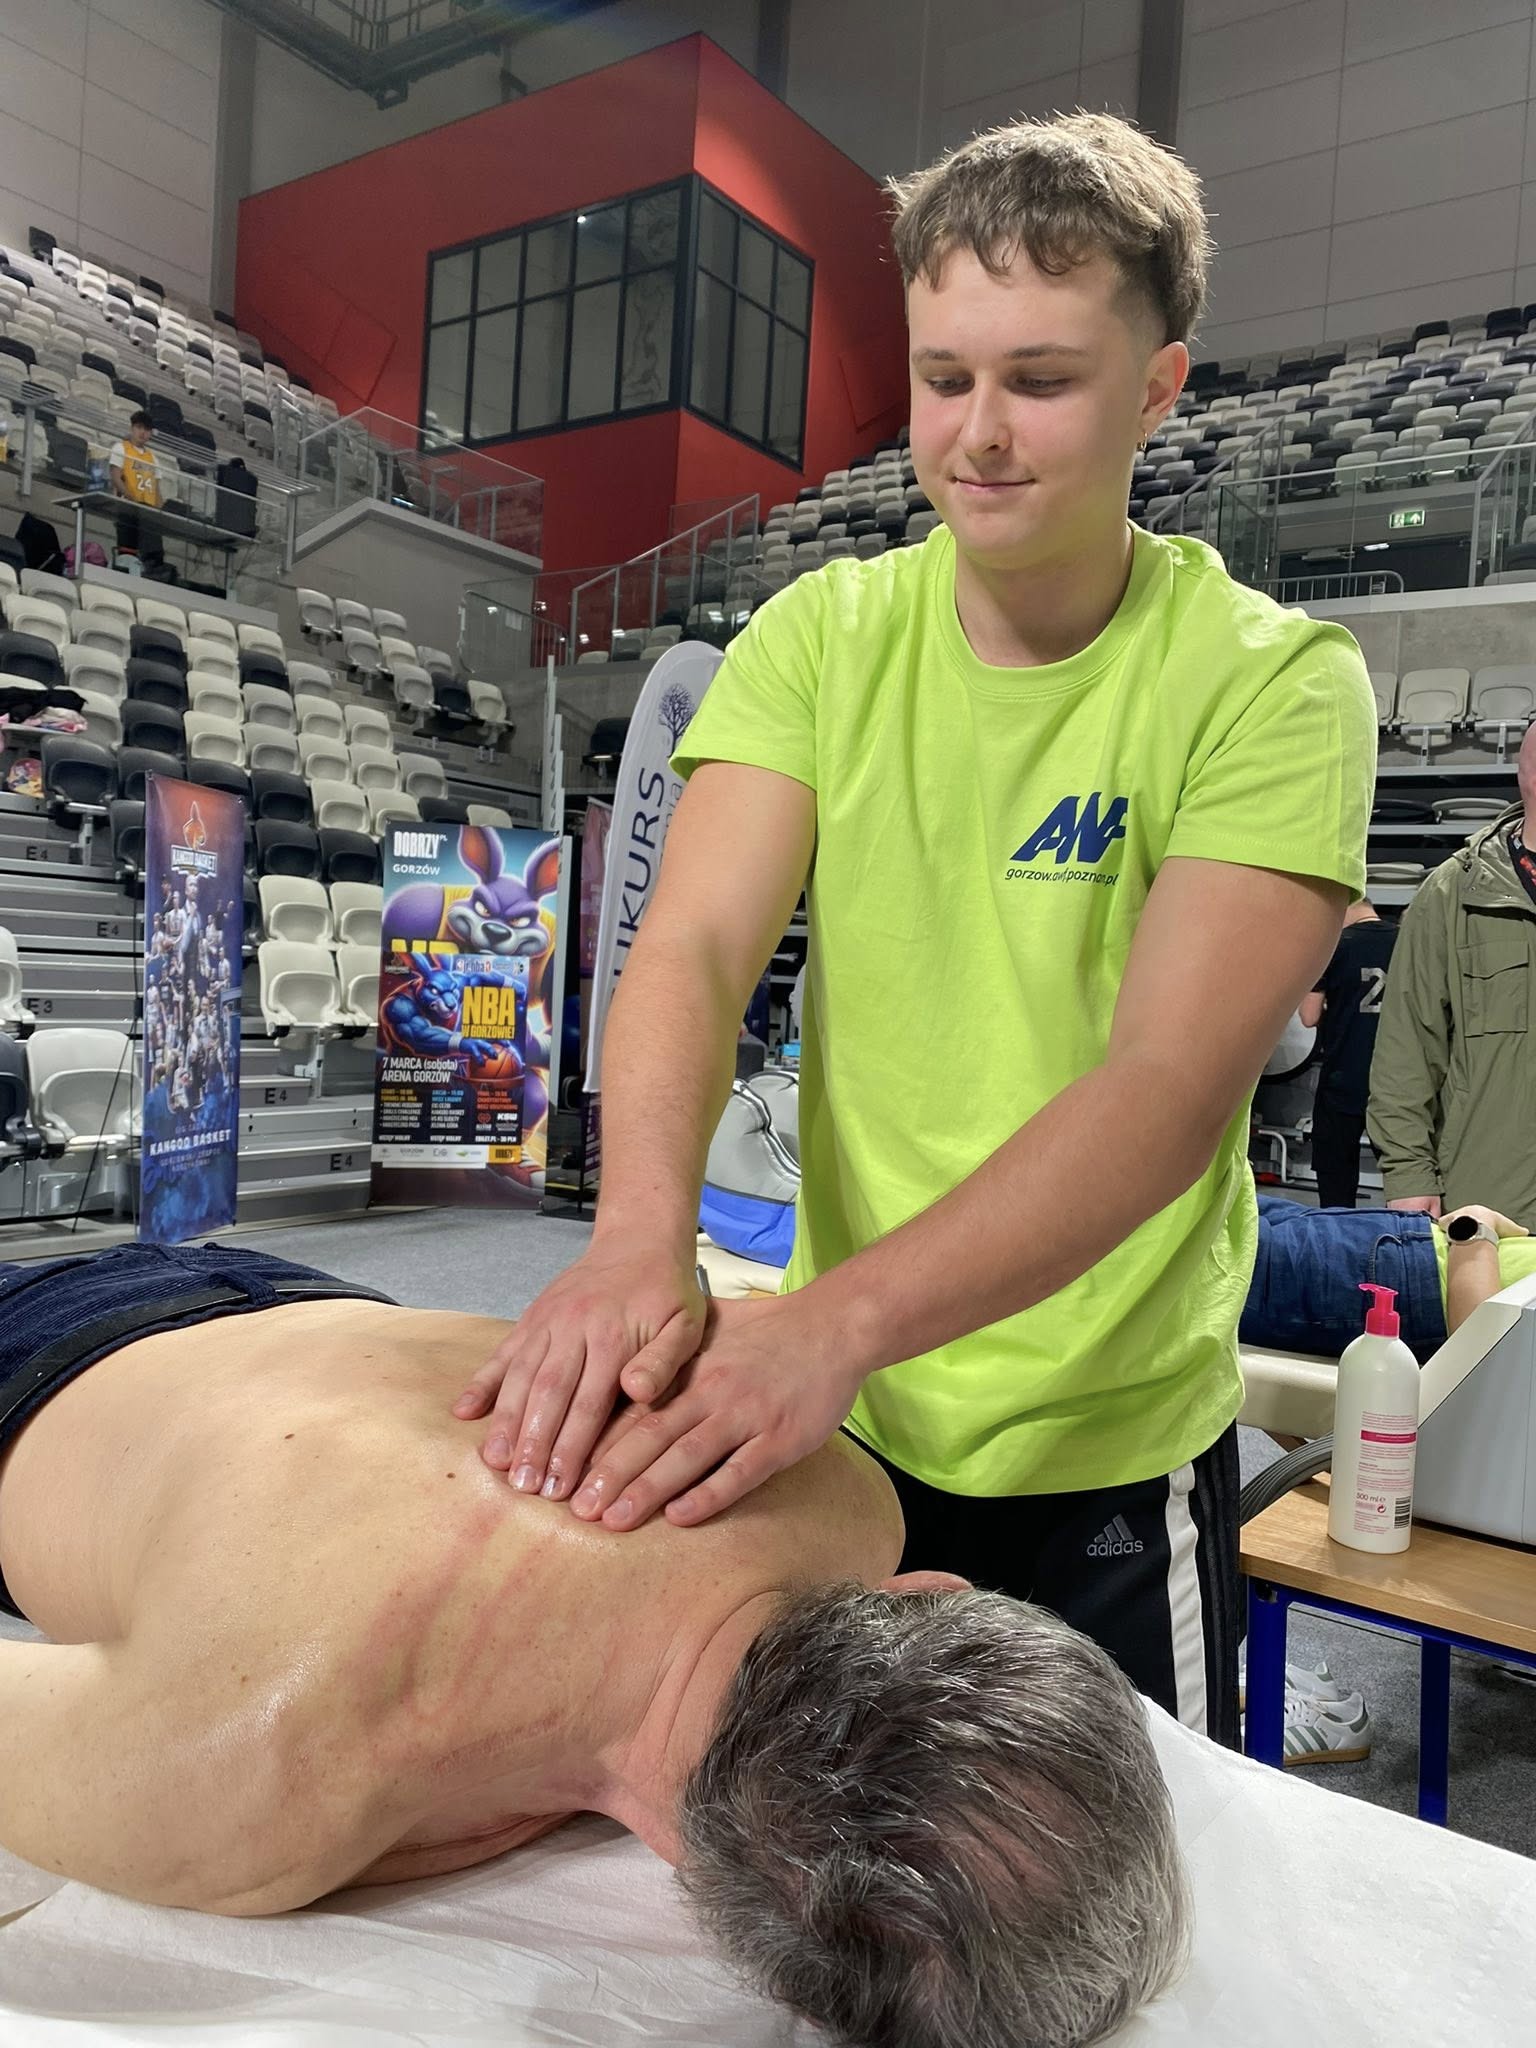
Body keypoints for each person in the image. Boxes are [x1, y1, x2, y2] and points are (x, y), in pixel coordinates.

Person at [459, 111, 1376, 1750]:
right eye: (944, 378)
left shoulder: (1272, 681)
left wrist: (834, 1322)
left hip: (1099, 1450)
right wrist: (636, 1242)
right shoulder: (822, 634)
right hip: (848, 1431)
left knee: (1124, 1886)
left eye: (1042, 379)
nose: (979, 433)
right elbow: (692, 950)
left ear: (1157, 387)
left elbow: (1165, 1092)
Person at [0, 1243, 1189, 2048]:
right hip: (47, 1362)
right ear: (702, 1883)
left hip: (309, 1304)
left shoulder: (843, 1492)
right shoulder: (262, 1777)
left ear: (928, 1587)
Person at [1369, 735, 1536, 1226]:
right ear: (1526, 768)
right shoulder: (1453, 891)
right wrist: (1408, 1174)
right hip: (1490, 1202)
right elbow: (1407, 1045)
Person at [1298, 898, 1397, 1208]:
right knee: (1404, 1176)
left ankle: (1339, 1235)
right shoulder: (1408, 941)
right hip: (1397, 1080)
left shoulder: (1332, 946)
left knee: (1336, 1180)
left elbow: (1308, 1016)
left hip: (1344, 1075)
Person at [107, 409, 165, 565]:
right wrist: (130, 498)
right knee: (128, 552)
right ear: (132, 428)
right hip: (128, 508)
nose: (142, 432)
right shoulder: (121, 448)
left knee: (152, 555)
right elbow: (116, 477)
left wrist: (158, 511)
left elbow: (157, 490)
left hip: (148, 512)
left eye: (146, 429)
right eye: (139, 427)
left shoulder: (153, 458)